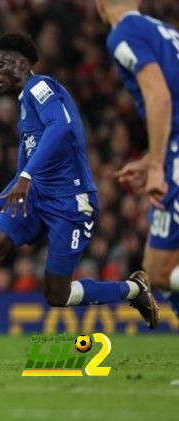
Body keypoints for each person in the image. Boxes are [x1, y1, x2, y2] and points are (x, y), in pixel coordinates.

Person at [0, 33, 159, 366]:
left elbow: (60, 127)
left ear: (22, 63)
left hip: (71, 202)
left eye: (0, 63)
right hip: (34, 199)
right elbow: (18, 177)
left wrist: (25, 179)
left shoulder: (41, 87)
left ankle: (133, 290)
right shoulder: (24, 111)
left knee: (57, 295)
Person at [95, 0, 179, 318]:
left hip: (175, 158)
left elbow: (159, 95)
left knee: (157, 271)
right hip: (172, 149)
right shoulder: (166, 31)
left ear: (99, 4)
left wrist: (157, 165)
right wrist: (149, 159)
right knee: (161, 269)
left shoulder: (123, 34)